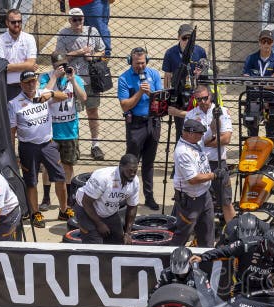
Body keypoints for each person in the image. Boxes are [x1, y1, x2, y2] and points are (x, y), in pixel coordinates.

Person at [8, 70, 69, 229]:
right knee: (31, 182)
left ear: (36, 81)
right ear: (21, 84)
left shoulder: (44, 93)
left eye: (33, 81)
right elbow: (12, 131)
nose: (31, 84)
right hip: (28, 147)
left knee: (60, 177)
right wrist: (13, 153)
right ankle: (35, 213)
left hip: (48, 144)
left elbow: (65, 96)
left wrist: (51, 94)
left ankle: (64, 209)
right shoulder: (14, 103)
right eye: (27, 82)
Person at [38, 52, 87, 221]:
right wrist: (55, 77)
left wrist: (72, 79)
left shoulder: (74, 76)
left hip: (69, 129)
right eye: (58, 65)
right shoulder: (46, 77)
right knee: (47, 166)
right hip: (50, 130)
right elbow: (42, 96)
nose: (61, 67)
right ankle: (46, 196)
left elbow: (84, 97)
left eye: (63, 64)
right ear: (52, 65)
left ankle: (68, 197)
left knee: (68, 165)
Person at [55, 7, 106, 161]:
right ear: (69, 20)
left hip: (90, 79)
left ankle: (95, 144)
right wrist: (79, 52)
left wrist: (92, 56)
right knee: (72, 113)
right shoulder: (63, 34)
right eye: (74, 19)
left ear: (83, 19)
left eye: (80, 19)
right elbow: (59, 58)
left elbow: (102, 51)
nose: (77, 22)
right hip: (71, 80)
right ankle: (73, 144)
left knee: (92, 111)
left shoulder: (92, 31)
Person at [118, 47, 164, 210]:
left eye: (143, 63)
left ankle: (149, 197)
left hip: (153, 122)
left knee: (149, 163)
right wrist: (139, 92)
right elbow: (125, 106)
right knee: (131, 162)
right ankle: (125, 196)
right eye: (137, 63)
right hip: (135, 123)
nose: (140, 66)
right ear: (130, 62)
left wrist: (151, 93)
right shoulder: (124, 78)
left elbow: (161, 99)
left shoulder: (154, 75)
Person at [171, 119, 228, 248]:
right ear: (188, 133)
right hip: (190, 200)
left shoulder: (196, 140)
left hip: (204, 195)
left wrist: (217, 114)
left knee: (208, 233)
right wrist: (214, 175)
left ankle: (206, 261)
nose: (202, 136)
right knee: (183, 233)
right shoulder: (182, 152)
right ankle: (170, 259)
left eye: (202, 133)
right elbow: (193, 179)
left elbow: (212, 129)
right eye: (198, 133)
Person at [191, 227, 274, 295]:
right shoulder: (246, 245)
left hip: (263, 288)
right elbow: (223, 251)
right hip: (241, 287)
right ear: (268, 245)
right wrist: (203, 257)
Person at [185, 85, 235, 224]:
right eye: (198, 99)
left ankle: (232, 232)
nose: (202, 102)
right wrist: (212, 137)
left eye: (205, 98)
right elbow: (189, 141)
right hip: (198, 163)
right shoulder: (191, 115)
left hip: (216, 162)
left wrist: (204, 142)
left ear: (210, 97)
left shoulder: (222, 112)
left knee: (226, 200)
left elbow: (226, 139)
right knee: (196, 199)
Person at [74, 154, 140, 244]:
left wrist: (128, 233)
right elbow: (86, 202)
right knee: (95, 248)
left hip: (109, 212)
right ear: (121, 167)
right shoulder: (103, 178)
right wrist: (99, 224)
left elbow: (132, 207)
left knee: (118, 243)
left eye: (135, 171)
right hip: (86, 210)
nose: (132, 174)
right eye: (130, 171)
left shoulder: (135, 181)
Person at [162, 23, 208, 139]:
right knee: (181, 129)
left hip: (196, 95)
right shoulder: (170, 53)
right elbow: (167, 76)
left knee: (198, 125)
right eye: (184, 38)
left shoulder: (200, 51)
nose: (187, 41)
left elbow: (204, 74)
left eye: (190, 38)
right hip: (179, 95)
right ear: (178, 37)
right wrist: (168, 97)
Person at [242, 29, 274, 141]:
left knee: (270, 128)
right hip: (254, 100)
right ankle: (252, 151)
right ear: (259, 42)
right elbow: (246, 80)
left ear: (273, 43)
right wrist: (266, 82)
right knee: (252, 127)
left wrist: (255, 81)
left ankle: (271, 155)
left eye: (269, 41)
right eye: (263, 41)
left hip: (268, 102)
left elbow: (273, 85)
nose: (266, 44)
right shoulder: (251, 58)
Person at [0, 9, 37, 100]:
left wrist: (9, 67)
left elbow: (31, 64)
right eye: (13, 22)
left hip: (28, 85)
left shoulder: (29, 38)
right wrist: (27, 66)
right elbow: (0, 68)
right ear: (7, 23)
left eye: (19, 21)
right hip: (8, 86)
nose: (17, 24)